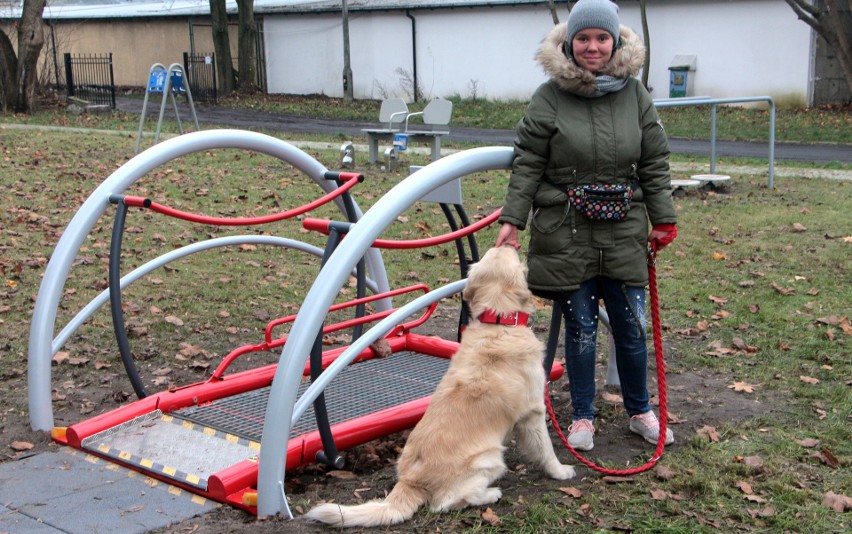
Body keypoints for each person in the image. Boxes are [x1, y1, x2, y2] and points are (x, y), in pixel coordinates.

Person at [495, 0, 677, 451]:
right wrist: (512, 220)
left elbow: (653, 160)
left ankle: (640, 411)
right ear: (569, 43)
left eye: (601, 38)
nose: (592, 47)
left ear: (614, 42)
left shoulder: (635, 94)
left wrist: (664, 217)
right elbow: (528, 163)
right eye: (583, 38)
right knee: (580, 327)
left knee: (632, 327)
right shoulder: (549, 97)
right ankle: (582, 416)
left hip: (625, 231)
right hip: (568, 231)